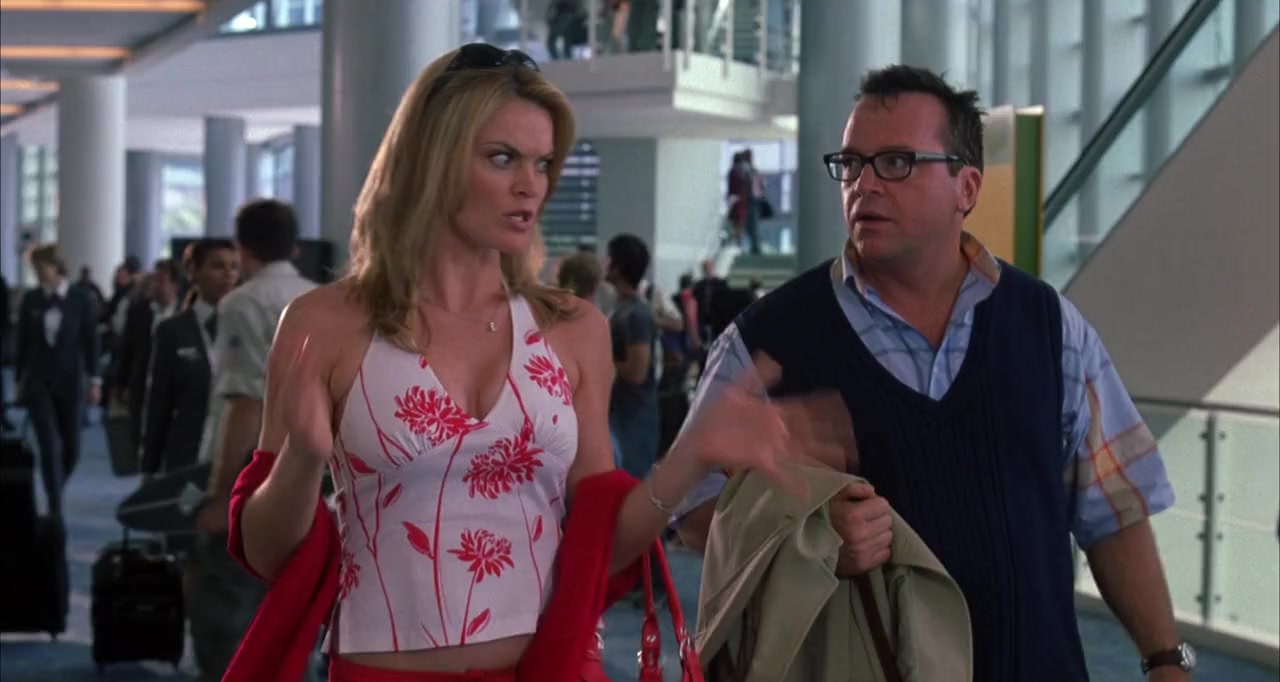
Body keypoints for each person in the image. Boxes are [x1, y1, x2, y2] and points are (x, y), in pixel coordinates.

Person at [232, 43, 833, 681]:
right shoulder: (324, 324)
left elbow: (600, 547)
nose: (531, 185)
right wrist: (303, 459)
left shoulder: (573, 329)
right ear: (431, 160)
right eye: (502, 158)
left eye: (543, 163)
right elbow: (268, 555)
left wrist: (692, 457)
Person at [675, 65, 1192, 682]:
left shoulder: (1048, 327)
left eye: (896, 162)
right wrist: (805, 536)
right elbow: (691, 507)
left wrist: (1165, 659)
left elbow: (1114, 512)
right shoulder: (768, 340)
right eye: (852, 164)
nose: (864, 184)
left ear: (966, 187)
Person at [191, 200, 315, 682]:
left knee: (226, 615)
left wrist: (222, 496)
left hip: (256, 477)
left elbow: (245, 405)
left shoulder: (243, 303)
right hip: (312, 477)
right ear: (295, 247)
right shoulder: (321, 299)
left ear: (242, 248)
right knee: (295, 615)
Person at [142, 239, 240, 479]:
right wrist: (150, 466)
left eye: (234, 267)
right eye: (218, 266)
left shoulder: (247, 326)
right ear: (193, 272)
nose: (228, 275)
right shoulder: (172, 331)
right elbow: (159, 402)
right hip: (187, 451)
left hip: (236, 451)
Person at [15, 244, 101, 517]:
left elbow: (91, 341)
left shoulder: (80, 299)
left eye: (42, 267)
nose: (39, 273)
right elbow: (23, 343)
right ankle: (55, 505)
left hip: (71, 381)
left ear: (56, 266)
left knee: (72, 448)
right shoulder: (31, 300)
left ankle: (56, 487)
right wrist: (19, 380)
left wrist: (95, 380)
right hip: (38, 382)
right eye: (35, 268)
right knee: (49, 444)